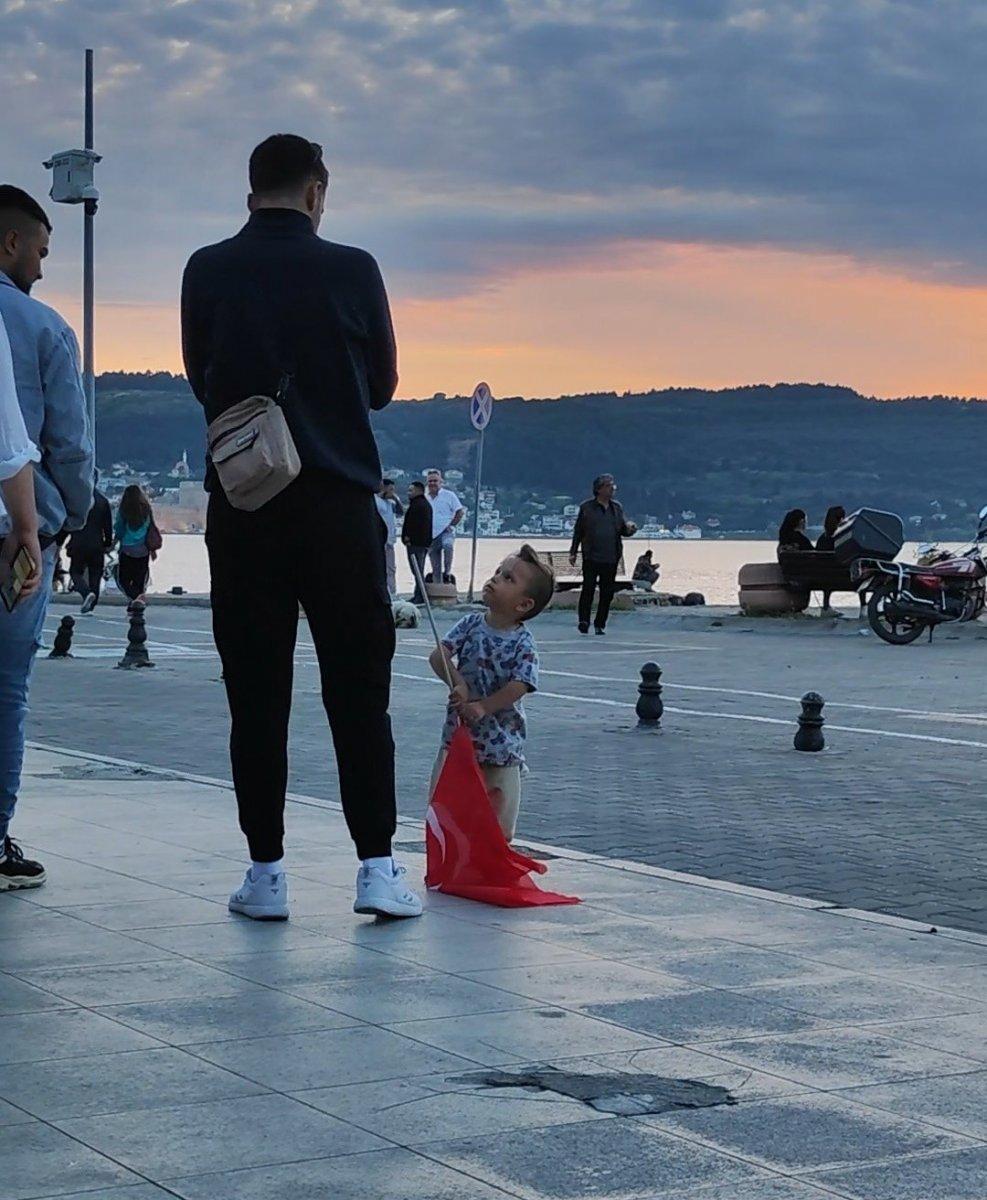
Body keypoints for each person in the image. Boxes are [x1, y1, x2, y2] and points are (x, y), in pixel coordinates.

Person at [181, 133, 421, 921]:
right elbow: (381, 387)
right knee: (359, 691)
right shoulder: (353, 269)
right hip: (338, 505)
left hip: (246, 505)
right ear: (316, 193)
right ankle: (376, 869)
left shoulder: (206, 268)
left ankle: (266, 875)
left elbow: (200, 378)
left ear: (252, 191)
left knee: (255, 695)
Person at [0, 186, 93, 890]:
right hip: (18, 533)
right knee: (7, 688)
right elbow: (69, 442)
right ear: (10, 243)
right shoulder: (42, 327)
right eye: (39, 250)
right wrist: (71, 516)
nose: (41, 265)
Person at [428, 546, 554, 841]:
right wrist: (458, 683)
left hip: (501, 746)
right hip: (457, 740)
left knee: (499, 823)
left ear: (523, 604)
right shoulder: (470, 624)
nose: (496, 578)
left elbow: (520, 685)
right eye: (498, 571)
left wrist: (484, 706)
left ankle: (491, 859)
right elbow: (438, 656)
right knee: (445, 810)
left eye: (508, 578)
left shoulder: (523, 642)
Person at [569, 473, 636, 635]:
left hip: (611, 556)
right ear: (599, 489)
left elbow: (622, 529)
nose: (612, 488)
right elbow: (578, 531)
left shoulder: (616, 508)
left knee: (607, 593)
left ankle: (600, 624)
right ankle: (584, 620)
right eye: (608, 485)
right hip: (591, 556)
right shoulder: (586, 508)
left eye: (613, 485)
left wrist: (630, 529)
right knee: (588, 589)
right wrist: (573, 552)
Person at [66, 474, 112, 612]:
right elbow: (108, 527)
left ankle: (86, 593)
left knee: (75, 572)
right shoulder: (103, 501)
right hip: (97, 544)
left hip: (78, 542)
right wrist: (107, 543)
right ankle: (92, 604)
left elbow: (69, 523)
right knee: (95, 575)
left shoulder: (76, 500)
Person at [113, 484, 158, 601]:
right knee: (139, 581)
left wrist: (113, 543)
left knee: (123, 580)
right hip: (143, 550)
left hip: (127, 550)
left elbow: (119, 529)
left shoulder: (124, 510)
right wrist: (152, 550)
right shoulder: (147, 510)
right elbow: (151, 529)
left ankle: (136, 598)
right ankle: (137, 602)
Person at [425, 469, 464, 584]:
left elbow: (460, 511)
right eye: (430, 481)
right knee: (435, 565)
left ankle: (447, 572)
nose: (432, 483)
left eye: (435, 481)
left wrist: (452, 524)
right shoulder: (425, 498)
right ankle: (438, 586)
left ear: (440, 482)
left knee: (448, 546)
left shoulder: (449, 495)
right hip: (431, 534)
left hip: (446, 531)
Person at [402, 480, 432, 603]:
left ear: (418, 491)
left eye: (411, 490)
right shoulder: (423, 505)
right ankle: (419, 595)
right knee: (418, 570)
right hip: (421, 544)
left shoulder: (418, 506)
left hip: (416, 544)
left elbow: (415, 525)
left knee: (417, 570)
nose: (408, 493)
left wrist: (409, 538)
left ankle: (420, 596)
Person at [816, 505, 847, 614]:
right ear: (841, 520)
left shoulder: (822, 539)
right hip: (844, 578)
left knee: (827, 572)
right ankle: (863, 606)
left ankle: (826, 606)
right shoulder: (843, 538)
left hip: (820, 578)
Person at [374, 479, 401, 598]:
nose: (392, 492)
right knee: (380, 567)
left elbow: (400, 512)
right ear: (383, 488)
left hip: (390, 539)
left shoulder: (391, 502)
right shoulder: (376, 500)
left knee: (391, 568)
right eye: (390, 489)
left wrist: (395, 498)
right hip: (380, 539)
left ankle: (392, 591)